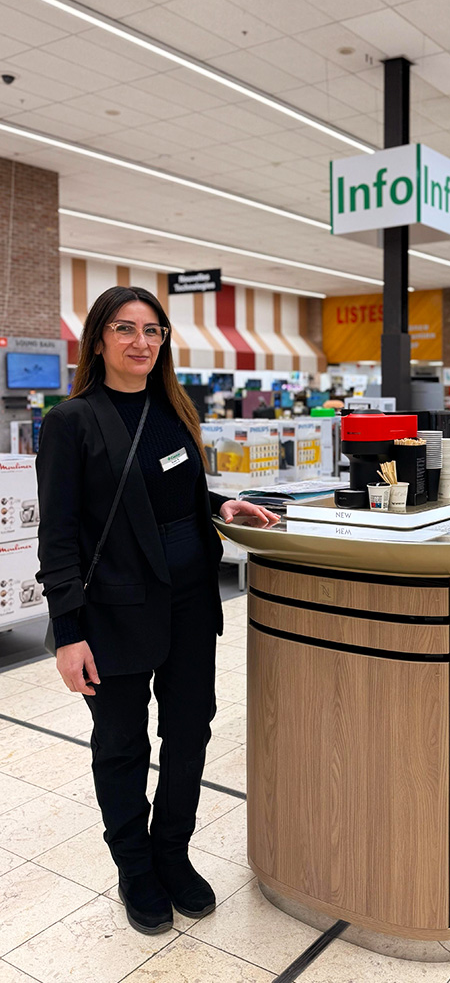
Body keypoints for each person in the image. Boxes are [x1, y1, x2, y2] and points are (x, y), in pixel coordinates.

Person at [36, 285, 279, 936]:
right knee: (122, 743)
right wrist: (68, 633)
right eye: (125, 328)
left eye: (152, 330)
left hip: (191, 603)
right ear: (97, 339)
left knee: (190, 731)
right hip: (114, 611)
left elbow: (170, 489)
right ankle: (136, 866)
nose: (141, 342)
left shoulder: (174, 409)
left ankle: (172, 850)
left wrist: (219, 503)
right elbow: (58, 537)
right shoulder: (71, 421)